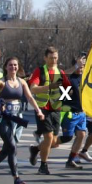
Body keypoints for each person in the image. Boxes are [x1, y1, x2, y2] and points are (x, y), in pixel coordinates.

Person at [0, 57, 43, 184]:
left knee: (8, 148)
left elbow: (30, 97)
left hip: (17, 119)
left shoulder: (21, 82)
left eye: (15, 65)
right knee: (12, 147)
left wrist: (38, 110)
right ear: (6, 67)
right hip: (4, 118)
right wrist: (0, 102)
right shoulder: (2, 82)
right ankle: (16, 179)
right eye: (10, 65)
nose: (13, 67)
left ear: (18, 67)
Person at [27, 46, 72, 175]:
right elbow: (33, 89)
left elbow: (67, 89)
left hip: (56, 109)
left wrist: (68, 96)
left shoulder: (60, 72)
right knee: (48, 137)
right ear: (45, 58)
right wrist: (49, 87)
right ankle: (43, 166)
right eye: (51, 58)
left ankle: (35, 149)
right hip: (42, 109)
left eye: (56, 58)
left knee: (53, 142)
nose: (54, 60)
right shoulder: (40, 71)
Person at [61, 53, 89, 169]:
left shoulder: (84, 78)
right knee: (67, 137)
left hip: (81, 113)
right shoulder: (69, 78)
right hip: (70, 113)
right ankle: (38, 148)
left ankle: (70, 160)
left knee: (82, 134)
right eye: (79, 66)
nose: (81, 69)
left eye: (83, 66)